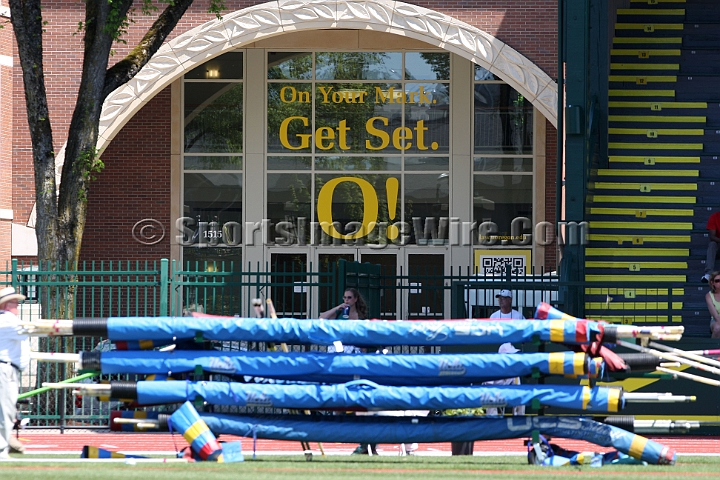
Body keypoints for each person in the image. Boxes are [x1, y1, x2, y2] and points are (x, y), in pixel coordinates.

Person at [0, 287, 29, 460]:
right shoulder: (7, 320)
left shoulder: (8, 320)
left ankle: (5, 445)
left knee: (7, 410)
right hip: (5, 370)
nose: (17, 306)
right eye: (14, 302)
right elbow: (29, 330)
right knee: (5, 411)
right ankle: (2, 450)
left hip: (9, 370)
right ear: (5, 304)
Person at [702, 211, 720, 282]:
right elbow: (712, 236)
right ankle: (708, 274)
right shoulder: (714, 217)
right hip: (718, 245)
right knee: (712, 244)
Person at [706, 271, 720, 338]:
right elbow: (716, 316)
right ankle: (713, 347)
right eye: (717, 281)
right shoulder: (709, 296)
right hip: (716, 320)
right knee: (717, 328)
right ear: (712, 283)